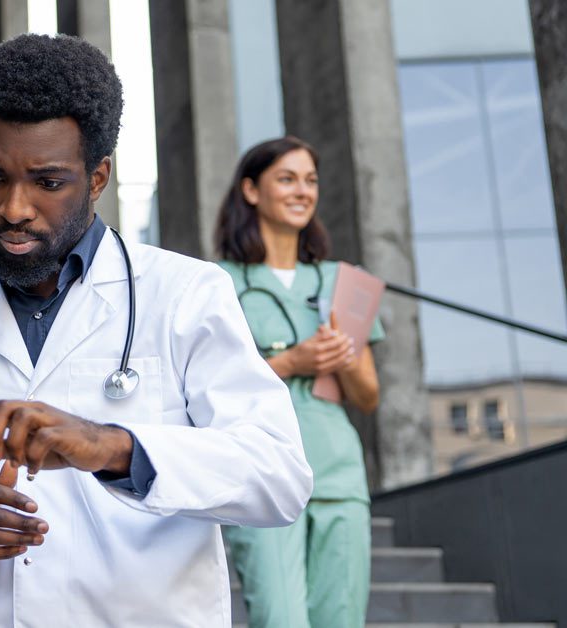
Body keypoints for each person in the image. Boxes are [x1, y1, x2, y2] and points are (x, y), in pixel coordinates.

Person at [0, 34, 314, 627]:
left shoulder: (184, 293)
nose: (13, 208)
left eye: (48, 182)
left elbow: (279, 475)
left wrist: (113, 447)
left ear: (99, 176)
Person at [214, 136, 383, 628]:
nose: (302, 191)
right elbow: (209, 392)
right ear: (251, 190)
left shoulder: (341, 280)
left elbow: (368, 397)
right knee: (280, 619)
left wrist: (341, 355)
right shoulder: (217, 283)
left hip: (339, 475)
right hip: (263, 475)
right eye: (286, 179)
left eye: (310, 181)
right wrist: (292, 362)